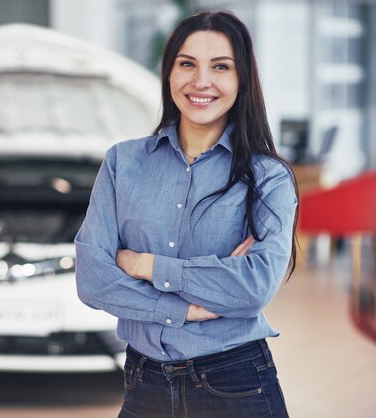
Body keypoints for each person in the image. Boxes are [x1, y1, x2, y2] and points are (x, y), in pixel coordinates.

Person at [75, 10, 298, 418]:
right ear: (169, 73)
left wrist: (144, 265)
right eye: (187, 64)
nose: (201, 81)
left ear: (242, 79)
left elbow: (254, 288)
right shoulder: (123, 163)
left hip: (236, 383)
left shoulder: (268, 177)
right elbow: (93, 279)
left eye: (221, 67)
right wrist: (188, 307)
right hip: (143, 384)